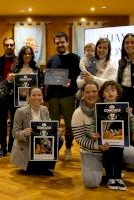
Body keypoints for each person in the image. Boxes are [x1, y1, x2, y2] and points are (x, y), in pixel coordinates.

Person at [71, 80, 134, 188]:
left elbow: (130, 120)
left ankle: (116, 172)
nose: (91, 94)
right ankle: (105, 171)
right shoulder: (78, 113)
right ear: (83, 93)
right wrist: (96, 141)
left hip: (116, 145)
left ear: (98, 92)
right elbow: (79, 138)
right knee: (91, 183)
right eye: (87, 92)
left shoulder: (119, 107)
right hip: (92, 151)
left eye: (94, 91)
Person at [96, 80, 134, 191]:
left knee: (118, 157)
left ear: (118, 93)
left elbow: (132, 120)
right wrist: (93, 133)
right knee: (107, 157)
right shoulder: (99, 108)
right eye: (106, 91)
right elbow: (94, 122)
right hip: (105, 140)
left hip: (119, 139)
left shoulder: (124, 108)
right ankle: (110, 177)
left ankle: (118, 177)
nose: (110, 93)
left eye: (113, 90)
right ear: (102, 94)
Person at [11, 86, 63, 176]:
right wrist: (24, 133)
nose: (36, 98)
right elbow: (14, 133)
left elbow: (48, 128)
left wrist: (56, 132)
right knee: (32, 170)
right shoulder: (20, 111)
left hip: (41, 144)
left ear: (42, 97)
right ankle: (36, 166)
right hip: (27, 145)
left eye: (39, 95)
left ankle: (46, 166)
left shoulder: (45, 110)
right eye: (33, 95)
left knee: (60, 139)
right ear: (29, 97)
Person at [45, 32, 80, 161]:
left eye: (62, 42)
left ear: (67, 42)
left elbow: (79, 77)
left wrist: (71, 82)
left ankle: (68, 148)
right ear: (55, 44)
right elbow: (47, 80)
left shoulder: (75, 58)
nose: (60, 44)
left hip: (68, 96)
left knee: (69, 125)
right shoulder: (51, 59)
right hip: (53, 97)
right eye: (57, 42)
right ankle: (53, 148)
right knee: (53, 124)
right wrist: (46, 96)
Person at [0, 37, 17, 158]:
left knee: (15, 123)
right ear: (3, 46)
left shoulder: (19, 61)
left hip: (16, 96)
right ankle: (3, 147)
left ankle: (12, 147)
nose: (9, 47)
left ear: (14, 46)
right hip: (2, 96)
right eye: (7, 45)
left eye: (11, 45)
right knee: (2, 123)